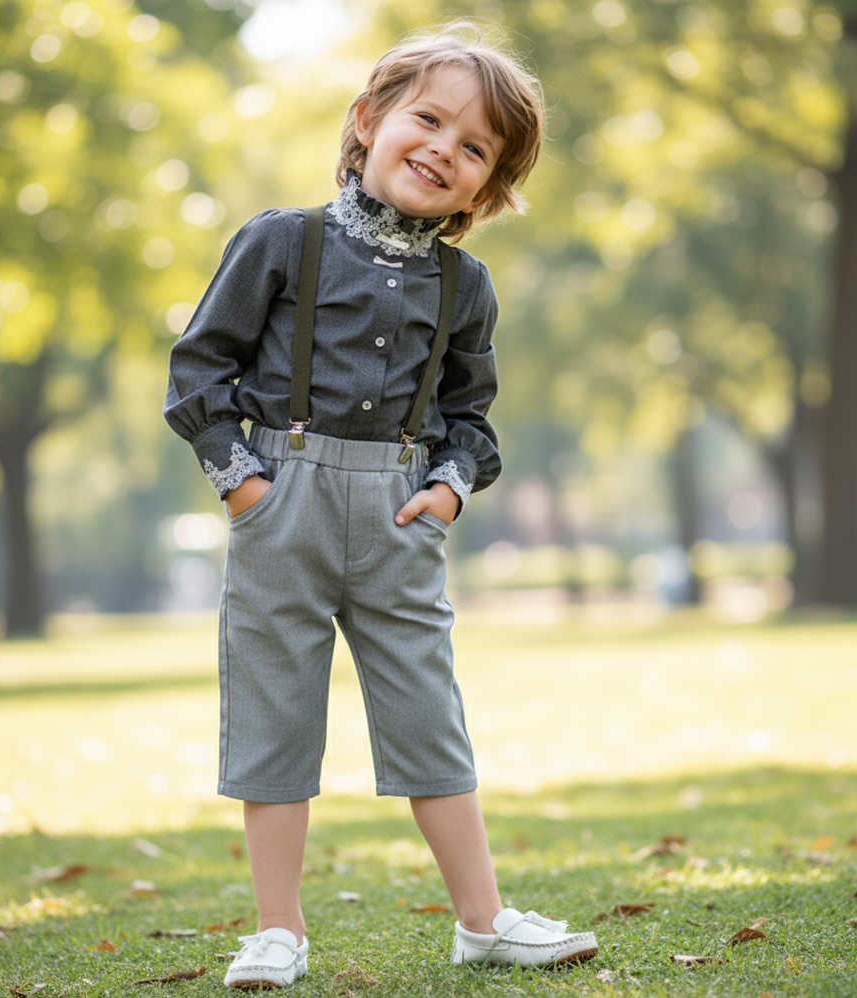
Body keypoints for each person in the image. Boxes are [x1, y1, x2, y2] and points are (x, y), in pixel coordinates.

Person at [164, 22, 599, 990]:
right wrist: (244, 482)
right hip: (282, 498)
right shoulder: (284, 240)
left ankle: (482, 918)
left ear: (486, 191)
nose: (444, 146)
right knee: (274, 711)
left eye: (474, 146)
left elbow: (469, 417)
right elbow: (199, 368)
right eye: (429, 118)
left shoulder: (466, 286)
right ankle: (278, 928)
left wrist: (446, 487)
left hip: (400, 510)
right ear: (368, 122)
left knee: (426, 709)